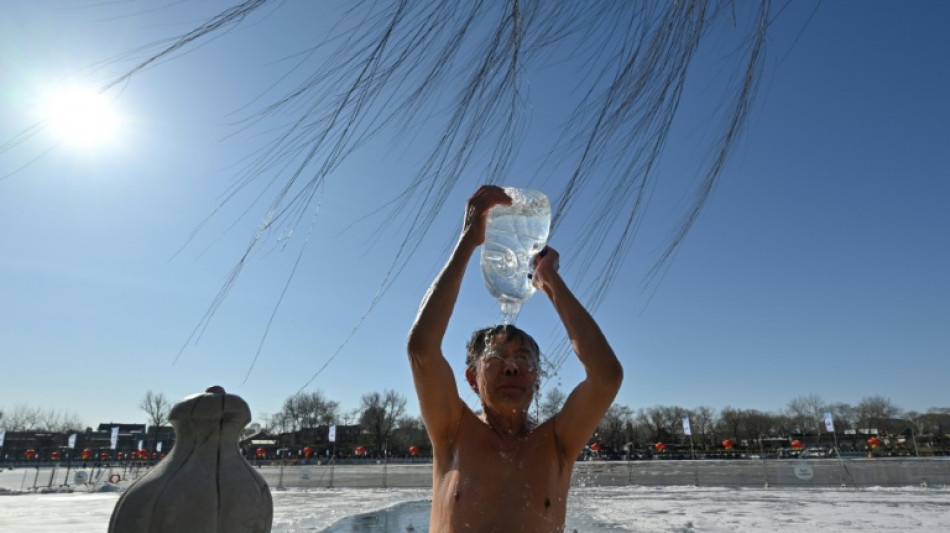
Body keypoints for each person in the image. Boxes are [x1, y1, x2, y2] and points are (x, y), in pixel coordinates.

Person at [407, 185, 624, 532]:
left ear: (538, 378)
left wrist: (551, 282)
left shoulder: (557, 443)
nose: (512, 365)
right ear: (472, 378)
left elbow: (607, 377)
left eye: (524, 358)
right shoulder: (453, 432)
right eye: (497, 356)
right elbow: (421, 350)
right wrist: (468, 242)